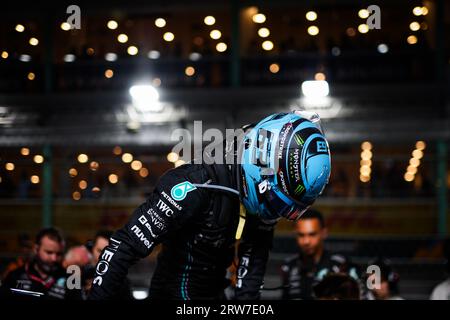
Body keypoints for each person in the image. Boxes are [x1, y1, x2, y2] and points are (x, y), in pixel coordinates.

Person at [89, 111, 332, 300]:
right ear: (259, 162)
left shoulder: (267, 195)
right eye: (276, 202)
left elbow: (252, 272)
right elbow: (124, 246)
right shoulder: (193, 185)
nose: (274, 213)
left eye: (284, 209)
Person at [280, 209, 360, 300]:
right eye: (301, 235)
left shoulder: (339, 264)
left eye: (312, 234)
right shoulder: (289, 265)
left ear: (324, 233)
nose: (306, 241)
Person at [0, 227, 80, 299]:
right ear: (36, 249)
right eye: (49, 252)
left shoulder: (71, 279)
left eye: (59, 254)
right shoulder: (16, 276)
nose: (54, 258)